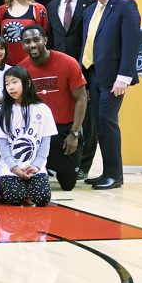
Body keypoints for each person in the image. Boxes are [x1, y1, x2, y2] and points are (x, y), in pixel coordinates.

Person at [80, 0, 140, 190]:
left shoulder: (126, 5)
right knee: (98, 125)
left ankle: (115, 175)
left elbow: (132, 44)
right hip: (93, 75)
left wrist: (123, 78)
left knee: (107, 123)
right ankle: (106, 172)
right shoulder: (90, 11)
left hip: (114, 78)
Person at [18, 24, 87, 192]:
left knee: (68, 185)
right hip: (37, 132)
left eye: (36, 39)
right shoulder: (21, 69)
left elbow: (81, 99)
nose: (32, 45)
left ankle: (57, 166)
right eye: (27, 42)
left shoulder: (68, 63)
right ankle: (45, 166)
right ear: (22, 46)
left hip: (64, 130)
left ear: (45, 40)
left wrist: (74, 133)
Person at [46, 0, 96, 178]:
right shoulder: (51, 6)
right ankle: (60, 163)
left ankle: (83, 166)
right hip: (60, 73)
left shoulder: (92, 2)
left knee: (88, 119)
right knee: (62, 117)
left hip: (87, 69)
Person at [0, 66, 57, 206]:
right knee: (15, 197)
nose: (10, 87)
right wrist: (14, 168)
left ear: (27, 83)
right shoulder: (3, 111)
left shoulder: (43, 109)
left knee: (42, 198)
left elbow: (45, 143)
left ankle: (29, 186)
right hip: (10, 168)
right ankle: (9, 186)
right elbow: (2, 145)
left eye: (14, 82)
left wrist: (37, 166)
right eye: (7, 84)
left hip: (34, 167)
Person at [0, 0, 49, 65]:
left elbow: (44, 38)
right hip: (6, 65)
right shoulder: (1, 10)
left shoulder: (38, 9)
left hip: (32, 64)